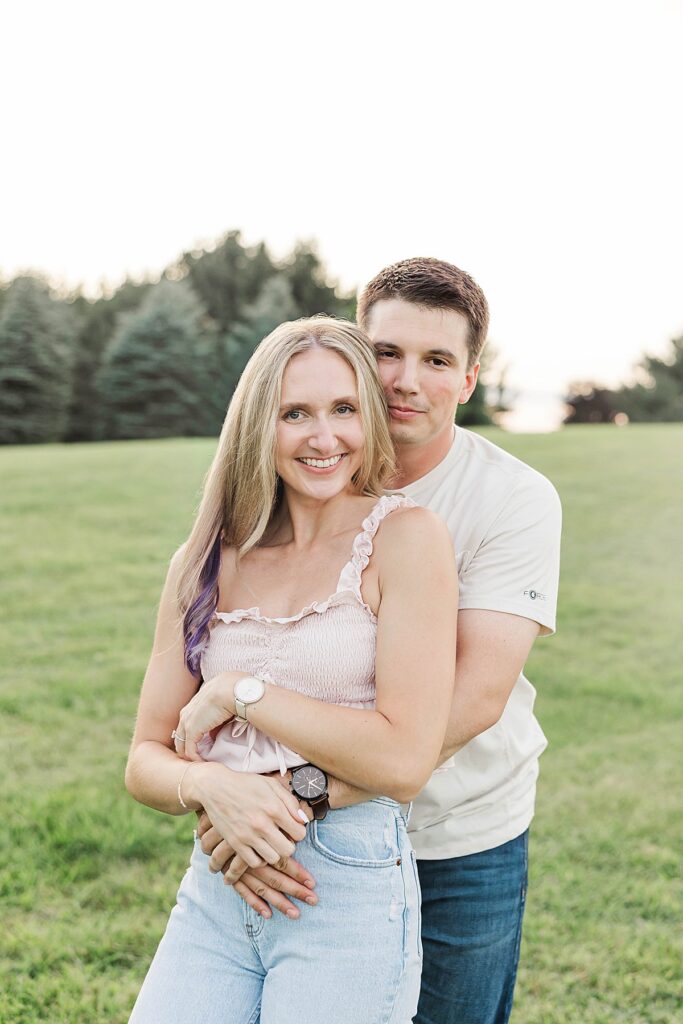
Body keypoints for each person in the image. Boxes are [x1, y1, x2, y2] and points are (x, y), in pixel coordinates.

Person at [199, 258, 562, 1024]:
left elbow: (474, 699)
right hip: (315, 847)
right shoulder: (298, 481)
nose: (404, 379)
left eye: (436, 361)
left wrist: (292, 799)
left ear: (468, 379)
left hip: (458, 836)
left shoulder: (512, 499)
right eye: (386, 353)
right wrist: (222, 790)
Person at [124, 317, 459, 1024]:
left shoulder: (405, 540)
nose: (323, 437)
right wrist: (212, 786)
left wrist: (240, 693)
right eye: (294, 414)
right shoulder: (202, 561)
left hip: (347, 892)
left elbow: (403, 758)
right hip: (217, 888)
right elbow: (144, 759)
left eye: (343, 410)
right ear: (257, 425)